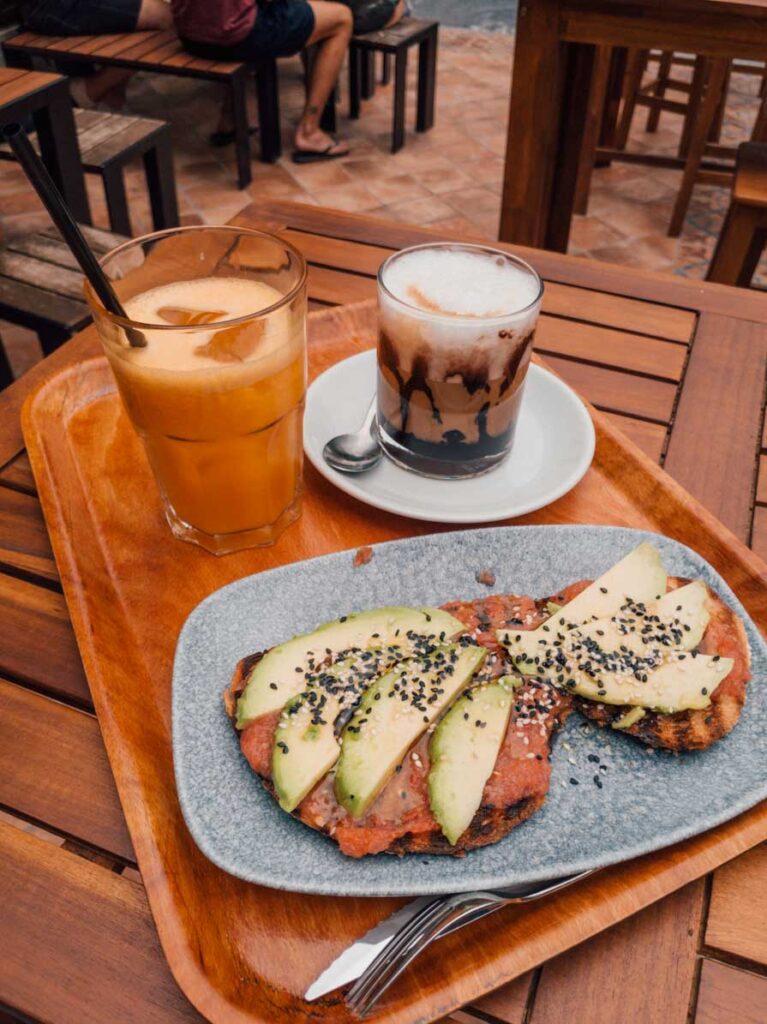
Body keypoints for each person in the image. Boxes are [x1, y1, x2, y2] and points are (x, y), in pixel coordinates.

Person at [171, 0, 353, 162]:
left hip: (190, 34)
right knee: (341, 18)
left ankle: (230, 117)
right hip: (237, 38)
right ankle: (309, 131)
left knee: (232, 13)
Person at [19, 0, 173, 108]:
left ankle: (112, 95)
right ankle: (91, 90)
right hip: (53, 6)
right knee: (171, 16)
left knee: (172, 12)